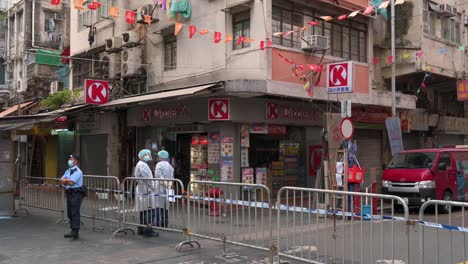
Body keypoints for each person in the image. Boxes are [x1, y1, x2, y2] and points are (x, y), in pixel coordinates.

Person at [134, 149, 159, 237]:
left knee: (143, 211)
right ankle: (148, 230)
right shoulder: (142, 165)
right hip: (146, 190)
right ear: (143, 155)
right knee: (149, 211)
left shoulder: (141, 164)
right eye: (148, 154)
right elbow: (146, 178)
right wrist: (153, 186)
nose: (149, 156)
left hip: (143, 190)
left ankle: (142, 229)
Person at [60, 154, 84, 240]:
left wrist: (66, 180)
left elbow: (71, 183)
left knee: (75, 212)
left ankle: (75, 231)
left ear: (76, 161)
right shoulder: (68, 171)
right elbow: (61, 181)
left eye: (71, 159)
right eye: (69, 159)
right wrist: (66, 180)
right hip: (69, 193)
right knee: (69, 213)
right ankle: (72, 230)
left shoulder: (78, 171)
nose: (69, 160)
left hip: (76, 193)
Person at [154, 150, 174, 228]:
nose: (158, 158)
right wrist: (169, 185)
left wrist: (164, 183)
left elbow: (158, 175)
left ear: (161, 157)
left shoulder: (159, 165)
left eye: (159, 156)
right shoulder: (170, 166)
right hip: (168, 188)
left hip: (160, 187)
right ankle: (165, 221)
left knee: (158, 205)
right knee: (166, 206)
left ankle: (158, 221)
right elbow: (172, 177)